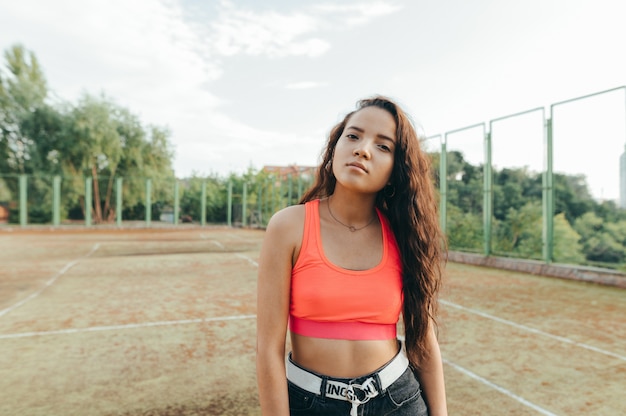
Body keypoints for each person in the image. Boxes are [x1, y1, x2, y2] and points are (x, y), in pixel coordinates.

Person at [256, 96, 447, 415]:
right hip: (309, 403)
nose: (363, 149)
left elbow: (423, 342)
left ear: (395, 170)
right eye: (354, 136)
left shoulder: (404, 235)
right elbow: (268, 349)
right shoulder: (289, 226)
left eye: (383, 146)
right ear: (334, 148)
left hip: (397, 401)